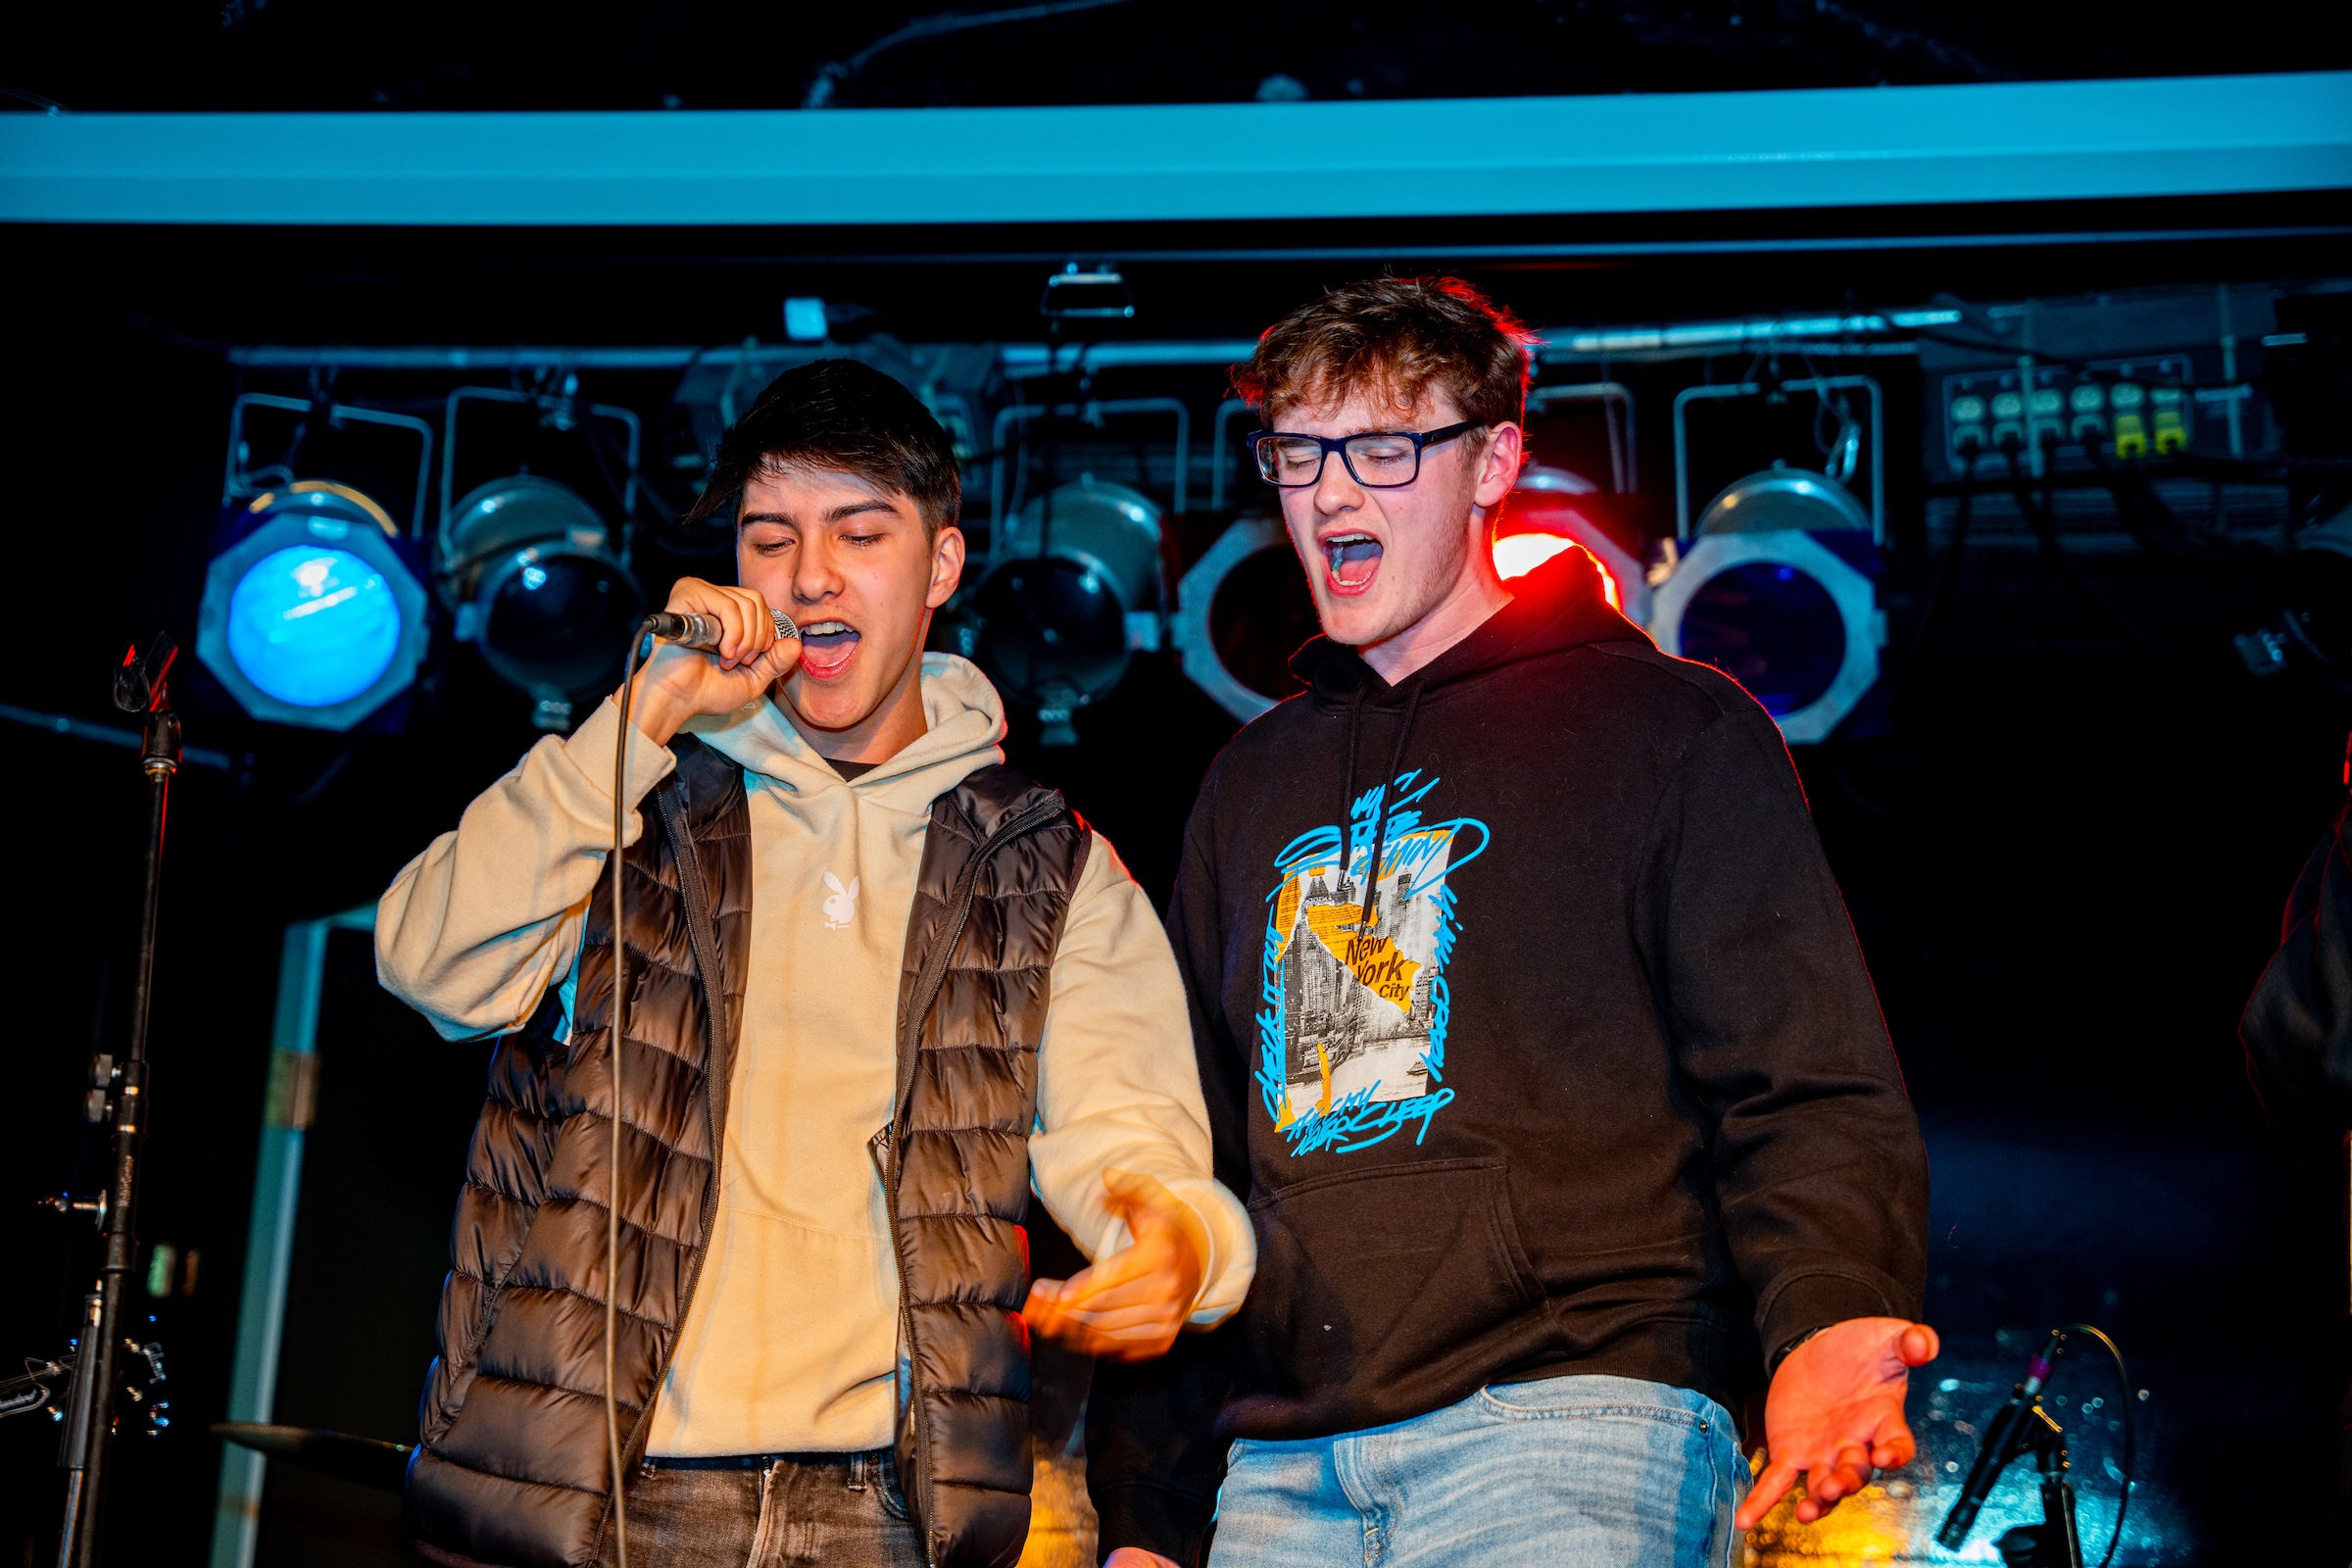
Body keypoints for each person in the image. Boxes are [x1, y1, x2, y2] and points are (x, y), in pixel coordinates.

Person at [1087, 277, 1936, 1568]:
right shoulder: (1247, 784)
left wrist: (1825, 1316)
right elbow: (1188, 1161)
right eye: (1300, 451)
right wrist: (1144, 1512)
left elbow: (1802, 1079)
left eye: (1383, 449)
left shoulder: (1671, 727)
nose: (1329, 493)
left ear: (1495, 461)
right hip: (1279, 1464)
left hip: (1573, 1421)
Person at [374, 360, 1253, 1568]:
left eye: (860, 532)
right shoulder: (633, 795)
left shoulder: (1044, 861)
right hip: (608, 1493)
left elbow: (1132, 1143)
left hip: (885, 1513)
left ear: (941, 564)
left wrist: (1177, 1247)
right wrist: (642, 715)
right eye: (771, 537)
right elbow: (430, 963)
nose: (811, 575)